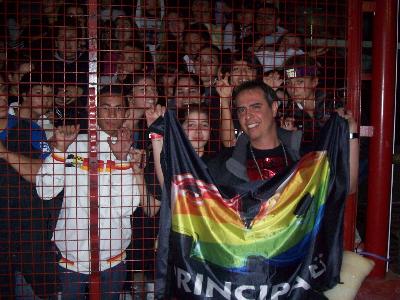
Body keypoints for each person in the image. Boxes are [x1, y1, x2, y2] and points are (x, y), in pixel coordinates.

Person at [35, 85, 156, 299]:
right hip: (71, 258)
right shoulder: (74, 144)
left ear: (126, 113)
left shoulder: (131, 153)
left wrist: (121, 161)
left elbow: (125, 208)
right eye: (105, 108)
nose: (112, 114)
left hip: (113, 259)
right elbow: (45, 191)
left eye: (118, 109)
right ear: (94, 110)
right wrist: (59, 153)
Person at [207, 79, 359, 195]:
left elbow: (347, 186)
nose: (247, 116)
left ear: (274, 108)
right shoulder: (226, 163)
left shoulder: (304, 154)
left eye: (256, 107)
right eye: (241, 110)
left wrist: (351, 133)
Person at [0, 74, 59, 298]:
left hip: (29, 226)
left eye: (3, 90)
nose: (1, 97)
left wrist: (5, 153)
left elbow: (43, 175)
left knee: (47, 289)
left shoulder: (29, 128)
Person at [281, 54, 343, 154]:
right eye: (288, 83)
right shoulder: (290, 113)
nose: (293, 89)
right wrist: (287, 135)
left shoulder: (333, 103)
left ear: (314, 82)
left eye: (299, 82)